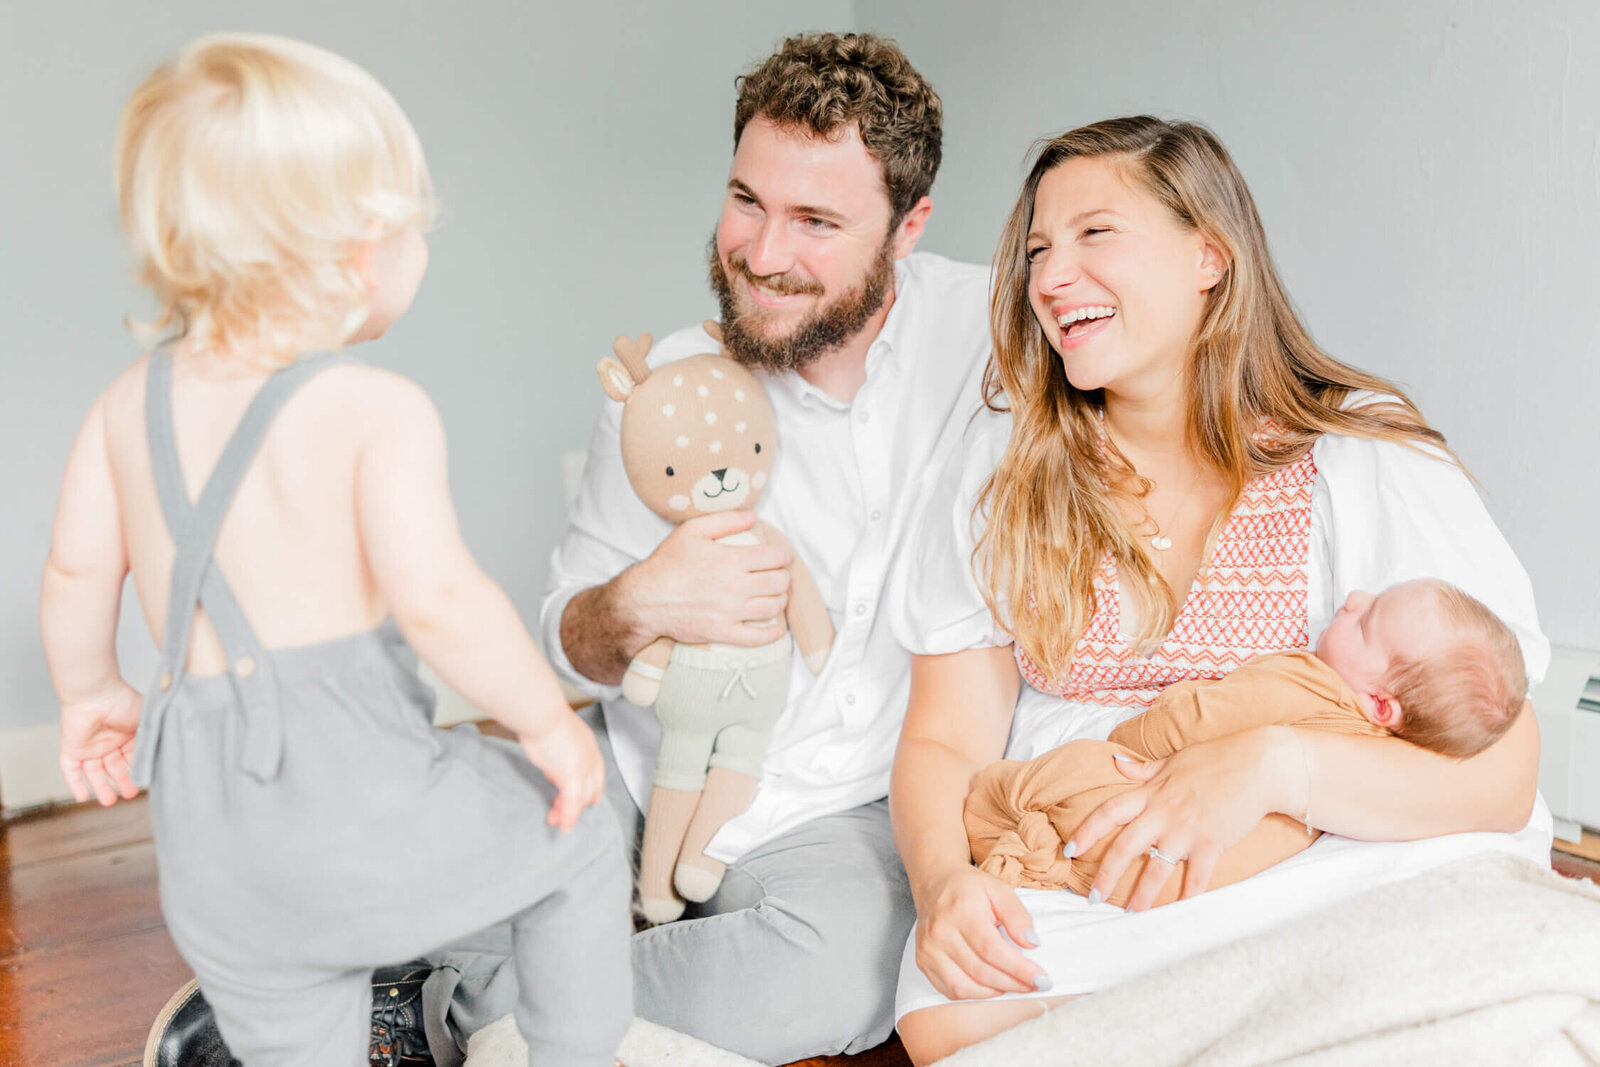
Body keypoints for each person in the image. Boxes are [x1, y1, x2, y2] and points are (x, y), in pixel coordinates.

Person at [884, 116, 1551, 1066]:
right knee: (942, 1005)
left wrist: (1275, 768)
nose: (1049, 278)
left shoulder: (1358, 457)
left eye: (1094, 235)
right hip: (1095, 874)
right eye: (1037, 249)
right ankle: (1264, 1016)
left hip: (1313, 854)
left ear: (1209, 255)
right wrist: (944, 884)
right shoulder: (1004, 472)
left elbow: (1503, 770)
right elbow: (946, 738)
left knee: (1465, 889)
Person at [39, 34, 631, 1067]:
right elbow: (440, 595)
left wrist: (92, 695)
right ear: (363, 245)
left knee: (297, 1028)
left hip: (211, 846)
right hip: (354, 811)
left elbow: (76, 572)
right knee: (576, 838)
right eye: (416, 228)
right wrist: (550, 722)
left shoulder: (125, 406)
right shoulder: (372, 409)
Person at [421, 32, 993, 1066]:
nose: (763, 254)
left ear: (908, 226)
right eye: (746, 200)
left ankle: (462, 1012)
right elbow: (566, 637)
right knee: (421, 826)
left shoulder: (996, 334)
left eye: (816, 221)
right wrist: (640, 601)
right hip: (645, 779)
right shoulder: (667, 386)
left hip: (841, 811)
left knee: (843, 977)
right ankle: (484, 998)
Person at [965, 578, 1529, 906]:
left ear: (1382, 704)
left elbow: (1197, 721)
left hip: (1128, 827)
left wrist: (1132, 737)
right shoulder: (1376, 752)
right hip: (1199, 878)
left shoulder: (1304, 680)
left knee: (1009, 788)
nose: (1353, 598)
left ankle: (1016, 843)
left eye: (1366, 623)